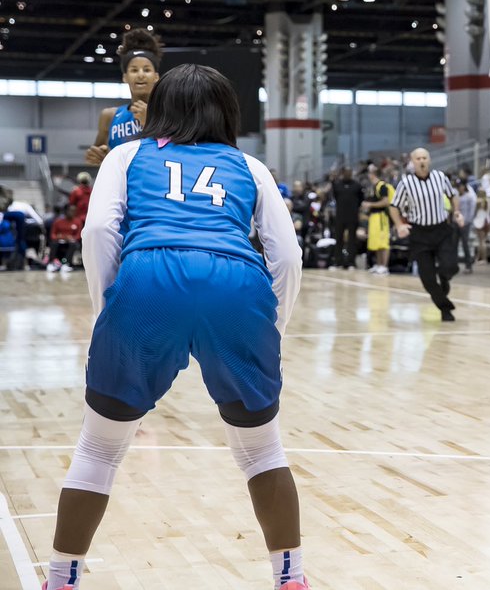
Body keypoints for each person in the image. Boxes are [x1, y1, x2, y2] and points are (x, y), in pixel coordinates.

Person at [48, 64, 306, 590]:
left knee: (99, 447)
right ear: (227, 112)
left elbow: (98, 232)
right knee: (262, 450)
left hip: (148, 278)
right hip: (235, 285)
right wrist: (269, 324)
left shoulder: (125, 155)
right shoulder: (250, 165)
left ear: (161, 108)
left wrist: (111, 309)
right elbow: (288, 257)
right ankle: (291, 577)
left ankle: (61, 579)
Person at [388, 147, 464, 321]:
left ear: (429, 160)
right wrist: (399, 225)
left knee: (450, 266)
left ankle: (445, 278)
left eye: (424, 158)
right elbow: (393, 207)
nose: (421, 161)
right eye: (418, 159)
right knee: (428, 279)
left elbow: (453, 195)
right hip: (420, 234)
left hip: (441, 229)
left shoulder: (440, 177)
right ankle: (445, 308)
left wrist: (457, 212)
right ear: (412, 163)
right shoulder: (406, 183)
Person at [85, 28, 162, 166]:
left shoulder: (168, 113)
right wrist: (96, 156)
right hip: (121, 186)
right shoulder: (109, 116)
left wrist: (149, 123)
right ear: (125, 77)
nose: (140, 75)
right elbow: (97, 154)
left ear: (156, 76)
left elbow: (177, 153)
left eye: (147, 69)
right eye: (134, 70)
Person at [328, 167, 363, 269]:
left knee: (352, 240)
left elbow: (361, 199)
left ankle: (351, 262)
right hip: (340, 217)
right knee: (339, 239)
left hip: (352, 217)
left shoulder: (357, 185)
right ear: (343, 173)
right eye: (346, 172)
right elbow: (334, 196)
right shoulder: (337, 185)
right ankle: (338, 262)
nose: (348, 174)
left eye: (349, 172)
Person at [363, 166, 394, 275]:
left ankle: (384, 266)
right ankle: (379, 264)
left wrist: (370, 204)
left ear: (373, 174)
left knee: (383, 242)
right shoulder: (374, 187)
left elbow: (385, 202)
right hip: (374, 216)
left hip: (381, 217)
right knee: (376, 241)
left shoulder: (382, 186)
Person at [47, 203, 83, 273]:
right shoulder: (58, 222)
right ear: (65, 211)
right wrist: (60, 237)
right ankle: (52, 263)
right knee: (53, 243)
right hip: (59, 241)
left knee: (73, 244)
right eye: (70, 210)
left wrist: (72, 238)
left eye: (74, 211)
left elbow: (79, 235)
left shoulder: (78, 222)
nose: (72, 213)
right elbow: (52, 235)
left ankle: (66, 264)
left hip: (71, 241)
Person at [455, 178, 476, 273]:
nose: (459, 188)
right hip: (455, 223)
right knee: (454, 243)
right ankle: (453, 264)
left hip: (465, 224)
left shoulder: (469, 197)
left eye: (461, 186)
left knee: (465, 244)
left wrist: (466, 221)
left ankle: (468, 265)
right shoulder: (456, 196)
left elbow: (471, 212)